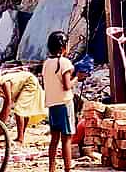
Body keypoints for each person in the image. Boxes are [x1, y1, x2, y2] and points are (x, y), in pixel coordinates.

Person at [0, 69, 46, 142]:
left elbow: (8, 103)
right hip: (23, 84)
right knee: (23, 110)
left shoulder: (5, 83)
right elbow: (4, 107)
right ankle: (21, 136)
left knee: (19, 110)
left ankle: (20, 139)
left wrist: (1, 125)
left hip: (29, 82)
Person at [44, 31, 77, 172]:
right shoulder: (64, 63)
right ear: (63, 47)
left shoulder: (46, 63)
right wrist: (78, 78)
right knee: (67, 139)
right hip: (64, 104)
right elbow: (67, 85)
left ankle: (51, 168)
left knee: (54, 139)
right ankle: (67, 168)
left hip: (52, 104)